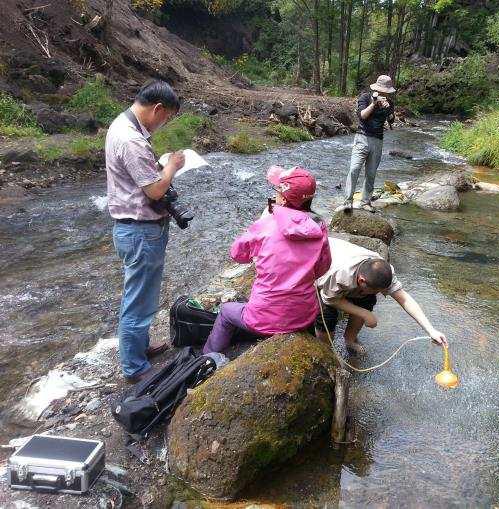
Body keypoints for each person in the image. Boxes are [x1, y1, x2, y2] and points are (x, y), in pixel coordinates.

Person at [203, 166, 332, 355]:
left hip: (263, 318)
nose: (276, 194)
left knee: (226, 311)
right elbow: (323, 267)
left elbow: (237, 254)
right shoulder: (319, 228)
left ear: (284, 197)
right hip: (304, 315)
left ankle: (207, 359)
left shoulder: (266, 223)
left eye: (278, 190)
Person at [106, 80, 185, 383]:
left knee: (141, 296)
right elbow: (154, 190)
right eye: (166, 118)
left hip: (134, 228)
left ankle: (138, 349)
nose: (164, 124)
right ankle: (135, 368)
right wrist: (172, 166)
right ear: (157, 109)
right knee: (138, 301)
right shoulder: (131, 140)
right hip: (140, 230)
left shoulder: (123, 126)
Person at [315, 237, 448, 354]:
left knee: (367, 300)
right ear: (361, 281)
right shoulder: (340, 275)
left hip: (349, 266)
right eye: (376, 290)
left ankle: (349, 340)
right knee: (327, 315)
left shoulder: (383, 271)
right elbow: (330, 299)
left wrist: (431, 330)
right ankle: (327, 350)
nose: (379, 294)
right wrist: (365, 314)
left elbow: (404, 299)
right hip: (319, 264)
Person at [337, 75, 396, 213]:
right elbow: (362, 115)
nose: (384, 94)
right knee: (354, 169)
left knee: (371, 173)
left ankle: (365, 201)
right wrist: (374, 104)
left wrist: (389, 111)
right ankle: (347, 201)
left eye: (386, 92)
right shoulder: (365, 97)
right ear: (376, 89)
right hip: (362, 138)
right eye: (382, 91)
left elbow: (391, 121)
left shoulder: (390, 103)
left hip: (378, 140)